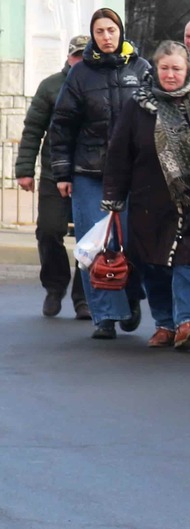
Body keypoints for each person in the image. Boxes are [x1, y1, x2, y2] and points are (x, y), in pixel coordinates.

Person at [101, 43, 190, 350]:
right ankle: (163, 325)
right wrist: (114, 198)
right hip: (150, 200)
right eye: (164, 68)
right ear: (155, 70)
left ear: (188, 70)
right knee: (153, 263)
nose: (170, 75)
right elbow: (119, 154)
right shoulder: (138, 105)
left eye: (177, 68)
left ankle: (186, 322)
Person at [49, 8, 149, 339]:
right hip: (89, 172)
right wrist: (62, 174)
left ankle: (131, 298)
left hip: (134, 173)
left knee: (133, 242)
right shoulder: (80, 75)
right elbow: (62, 126)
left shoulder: (141, 68)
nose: (107, 37)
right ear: (93, 36)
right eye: (100, 31)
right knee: (95, 244)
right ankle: (104, 315)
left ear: (121, 31)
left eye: (111, 30)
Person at [15, 36, 91, 320]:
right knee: (48, 230)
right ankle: (55, 286)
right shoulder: (50, 86)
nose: (81, 61)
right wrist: (24, 170)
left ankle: (83, 298)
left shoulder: (99, 83)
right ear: (69, 58)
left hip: (89, 174)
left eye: (86, 56)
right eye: (77, 56)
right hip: (52, 172)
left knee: (88, 238)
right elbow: (33, 128)